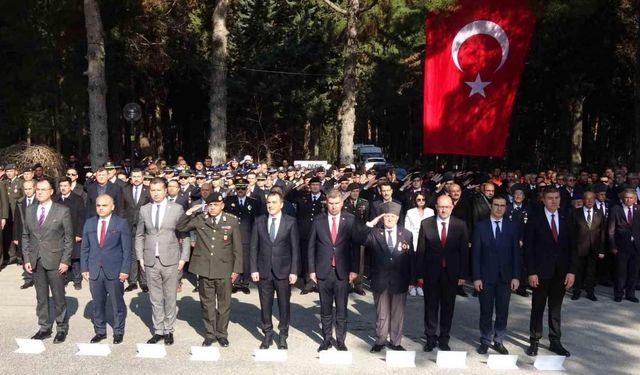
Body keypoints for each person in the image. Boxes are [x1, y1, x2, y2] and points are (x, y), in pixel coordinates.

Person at [177, 192, 243, 347]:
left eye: (216, 205)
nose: (212, 208)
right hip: (205, 268)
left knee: (224, 304)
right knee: (207, 304)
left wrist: (237, 270)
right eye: (210, 205)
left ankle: (222, 334)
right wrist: (190, 211)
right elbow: (181, 227)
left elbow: (237, 249)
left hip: (225, 269)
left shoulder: (231, 221)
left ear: (222, 206)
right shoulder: (201, 219)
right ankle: (210, 334)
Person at [308, 189, 366, 352]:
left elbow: (355, 247)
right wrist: (311, 270)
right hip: (323, 271)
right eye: (330, 204)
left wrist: (354, 270)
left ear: (342, 203)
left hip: (343, 271)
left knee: (341, 309)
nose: (333, 207)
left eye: (336, 204)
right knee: (325, 309)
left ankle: (340, 341)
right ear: (326, 203)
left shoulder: (350, 220)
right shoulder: (318, 220)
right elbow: (311, 246)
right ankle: (326, 339)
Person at [135, 178, 191, 345]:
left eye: (159, 190)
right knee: (155, 297)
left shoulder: (177, 209)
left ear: (166, 190)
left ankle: (169, 330)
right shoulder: (144, 209)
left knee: (170, 297)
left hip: (171, 259)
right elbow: (139, 235)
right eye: (153, 190)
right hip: (150, 259)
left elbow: (184, 235)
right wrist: (140, 257)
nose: (156, 193)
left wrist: (183, 258)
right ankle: (158, 330)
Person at [524, 186, 576, 357]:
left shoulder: (566, 217)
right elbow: (528, 249)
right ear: (543, 200)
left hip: (561, 272)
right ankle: (534, 340)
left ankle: (555, 341)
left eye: (557, 198)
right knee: (537, 307)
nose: (554, 201)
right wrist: (531, 272)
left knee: (555, 308)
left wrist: (571, 271)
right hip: (540, 272)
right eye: (550, 198)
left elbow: (572, 247)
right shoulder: (535, 218)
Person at [22, 179, 74, 343]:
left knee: (58, 296)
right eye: (38, 189)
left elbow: (68, 238)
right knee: (41, 297)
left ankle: (61, 328)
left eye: (43, 189)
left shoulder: (62, 211)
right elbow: (25, 236)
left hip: (55, 260)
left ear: (52, 191)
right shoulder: (30, 210)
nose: (39, 192)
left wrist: (65, 260)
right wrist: (27, 258)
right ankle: (44, 327)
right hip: (36, 260)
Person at [416, 195, 469, 352]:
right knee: (430, 307)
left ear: (452, 207)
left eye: (447, 206)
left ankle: (444, 338)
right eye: (441, 206)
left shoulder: (460, 225)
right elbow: (421, 251)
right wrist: (419, 275)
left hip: (451, 274)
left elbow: (464, 252)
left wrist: (462, 275)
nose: (444, 209)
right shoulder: (426, 224)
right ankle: (430, 337)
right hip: (431, 273)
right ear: (436, 208)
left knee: (448, 307)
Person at [250, 191, 300, 350]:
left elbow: (295, 249)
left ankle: (283, 335)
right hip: (263, 270)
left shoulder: (290, 222)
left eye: (273, 202)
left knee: (284, 305)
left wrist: (294, 271)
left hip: (283, 271)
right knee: (265, 304)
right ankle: (267, 334)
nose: (270, 205)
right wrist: (253, 268)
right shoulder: (259, 221)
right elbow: (253, 247)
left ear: (281, 204)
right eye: (268, 202)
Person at [472, 196, 521, 355]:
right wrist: (476, 277)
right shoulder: (480, 227)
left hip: (505, 278)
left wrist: (516, 276)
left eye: (502, 206)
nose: (499, 208)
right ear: (491, 207)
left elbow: (516, 254)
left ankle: (499, 340)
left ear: (506, 207)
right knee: (485, 311)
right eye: (496, 205)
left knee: (502, 311)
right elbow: (476, 254)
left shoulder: (512, 227)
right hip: (486, 277)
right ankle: (485, 340)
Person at [364, 202, 414, 353]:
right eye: (386, 216)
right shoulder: (374, 233)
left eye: (393, 216)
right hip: (380, 279)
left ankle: (396, 341)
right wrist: (370, 223)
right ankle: (380, 340)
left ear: (398, 217)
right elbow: (359, 238)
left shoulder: (406, 234)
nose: (390, 219)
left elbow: (412, 258)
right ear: (382, 217)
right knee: (382, 313)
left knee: (398, 314)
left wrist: (412, 280)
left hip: (400, 280)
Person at [80, 194, 130, 344]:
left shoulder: (121, 224)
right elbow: (85, 248)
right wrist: (84, 268)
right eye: (98, 205)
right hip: (95, 270)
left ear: (112, 206)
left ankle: (118, 331)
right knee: (97, 303)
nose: (101, 208)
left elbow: (127, 249)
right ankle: (100, 331)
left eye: (104, 205)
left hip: (114, 270)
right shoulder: (89, 223)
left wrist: (125, 270)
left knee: (117, 303)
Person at [224, 178, 259, 294]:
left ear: (247, 188)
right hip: (232, 235)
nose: (240, 190)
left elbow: (256, 221)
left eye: (242, 188)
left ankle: (245, 283)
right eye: (238, 188)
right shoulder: (228, 200)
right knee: (233, 259)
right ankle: (236, 282)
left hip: (247, 236)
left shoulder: (253, 202)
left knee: (246, 260)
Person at [570, 191, 605, 301]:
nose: (589, 201)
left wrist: (602, 249)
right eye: (587, 199)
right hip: (579, 247)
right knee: (578, 271)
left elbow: (602, 232)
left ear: (595, 200)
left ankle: (590, 292)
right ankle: (576, 291)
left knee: (591, 272)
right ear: (583, 200)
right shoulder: (575, 212)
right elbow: (571, 231)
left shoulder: (599, 213)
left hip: (593, 248)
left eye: (592, 199)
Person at [608, 188, 640, 303]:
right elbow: (611, 230)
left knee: (634, 271)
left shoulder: (638, 209)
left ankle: (630, 294)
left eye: (631, 198)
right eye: (626, 197)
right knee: (620, 272)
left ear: (635, 199)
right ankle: (619, 293)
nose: (628, 200)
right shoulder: (616, 209)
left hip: (636, 247)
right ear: (622, 198)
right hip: (621, 246)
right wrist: (613, 246)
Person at [122, 168, 151, 292]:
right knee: (132, 254)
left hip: (144, 226)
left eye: (139, 176)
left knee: (143, 254)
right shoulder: (125, 190)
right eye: (134, 176)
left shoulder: (148, 191)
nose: (136, 179)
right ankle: (133, 281)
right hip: (129, 226)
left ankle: (144, 282)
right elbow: (121, 208)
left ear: (143, 177)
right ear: (130, 178)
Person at [54, 177, 86, 290]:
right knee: (62, 257)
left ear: (70, 186)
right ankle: (64, 279)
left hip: (74, 232)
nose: (63, 188)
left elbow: (82, 218)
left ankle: (77, 280)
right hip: (59, 234)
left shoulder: (77, 199)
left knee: (75, 258)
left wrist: (79, 233)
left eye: (65, 186)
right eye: (61, 186)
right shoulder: (56, 199)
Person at [404, 192, 434, 297]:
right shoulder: (410, 212)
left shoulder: (431, 212)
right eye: (419, 199)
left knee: (423, 265)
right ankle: (411, 285)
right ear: (415, 201)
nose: (421, 201)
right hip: (413, 240)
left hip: (426, 241)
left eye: (423, 199)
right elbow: (406, 228)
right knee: (413, 264)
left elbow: (433, 228)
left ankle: (420, 285)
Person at [13, 180, 36, 288]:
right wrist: (16, 236)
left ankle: (38, 277)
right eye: (25, 189)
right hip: (24, 233)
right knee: (25, 255)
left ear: (34, 188)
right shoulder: (20, 202)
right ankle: (28, 278)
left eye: (30, 188)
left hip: (37, 233)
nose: (27, 191)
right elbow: (16, 220)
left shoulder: (39, 200)